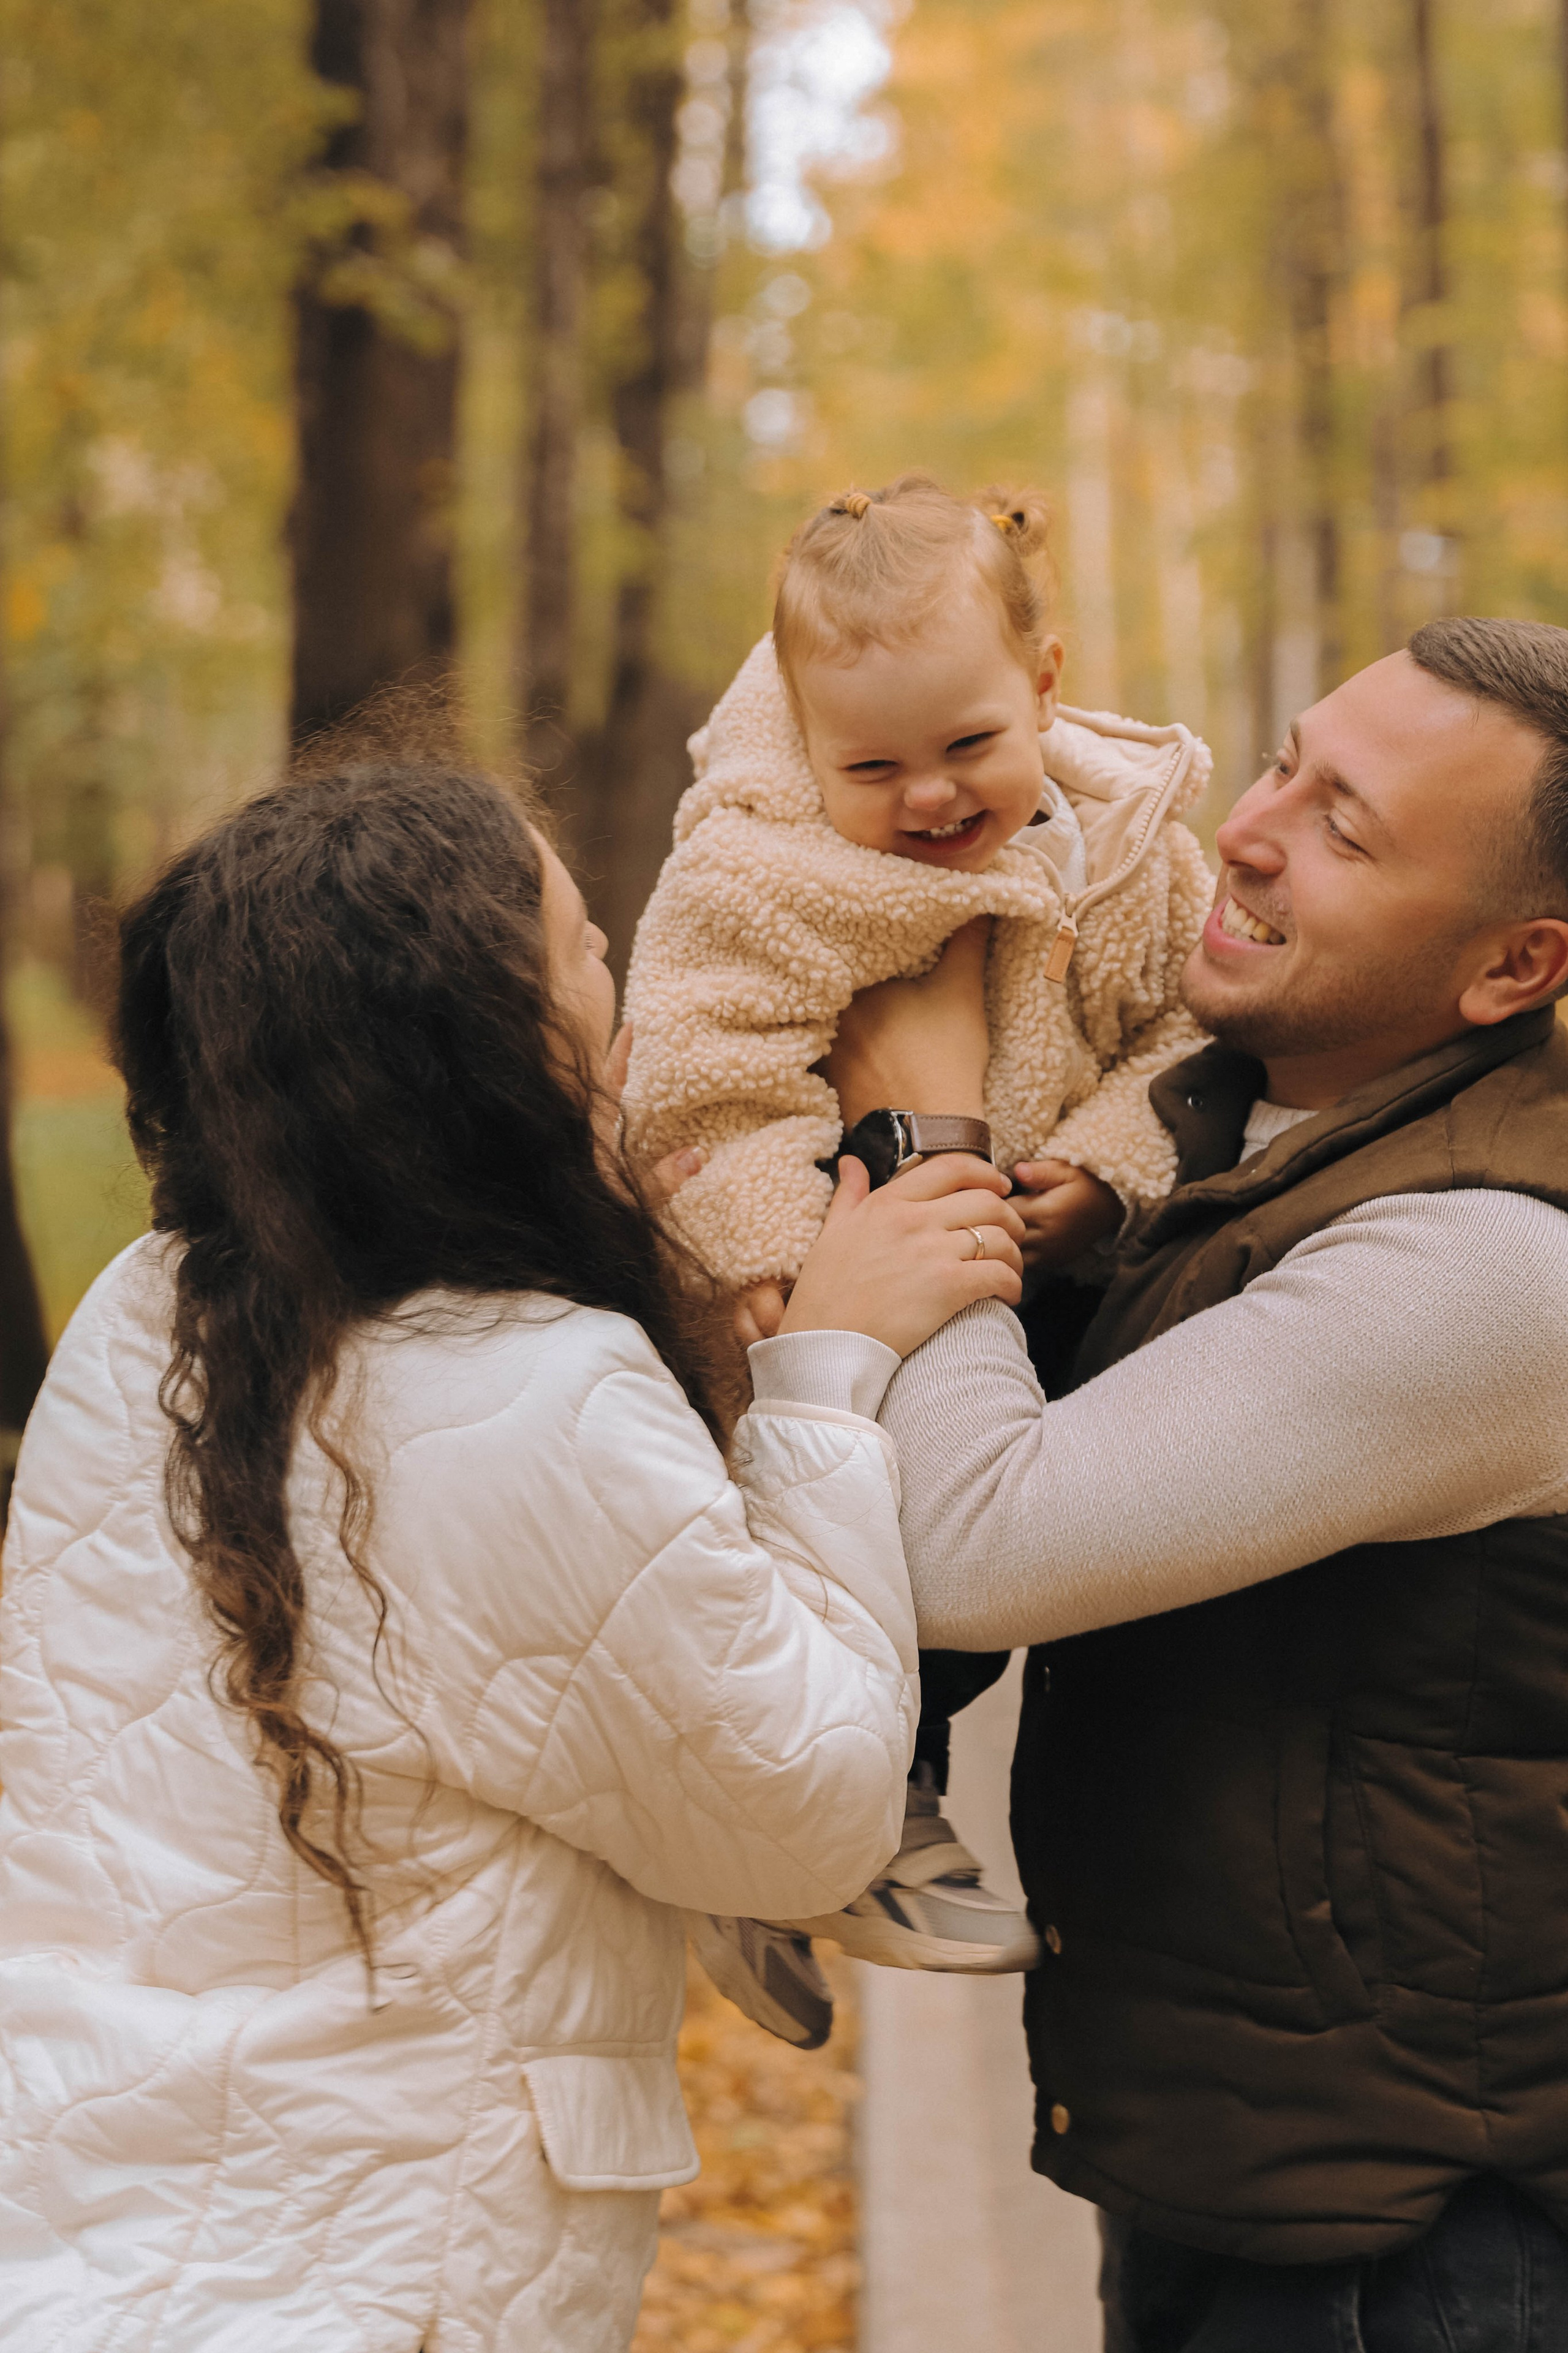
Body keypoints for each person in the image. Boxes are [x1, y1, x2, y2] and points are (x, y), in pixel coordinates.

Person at [0, 762, 1025, 2353]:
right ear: (485, 1054)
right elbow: (809, 1810)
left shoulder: (155, 1310)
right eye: (582, 949)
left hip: (101, 2227)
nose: (620, 974)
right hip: (372, 2277)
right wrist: (824, 1371)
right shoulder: (525, 1390)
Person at [752, 616, 1568, 2349]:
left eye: (1349, 829)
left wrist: (925, 1128)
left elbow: (973, 1541)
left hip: (1419, 2238)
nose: (1252, 832)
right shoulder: (1225, 1129)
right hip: (1246, 2161)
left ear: (1514, 967)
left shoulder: (1493, 1264)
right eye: (1283, 764)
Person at [619, 472, 1213, 2026]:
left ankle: (807, 1829)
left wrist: (1103, 1171)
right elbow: (697, 1073)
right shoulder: (765, 872)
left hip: (1026, 1255)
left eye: (967, 746)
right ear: (804, 743)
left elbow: (1187, 1036)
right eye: (870, 766)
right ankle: (838, 1814)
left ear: (1044, 683)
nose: (931, 799)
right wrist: (782, 1254)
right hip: (835, 1262)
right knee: (849, 1543)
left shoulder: (1130, 851)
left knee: (996, 1542)